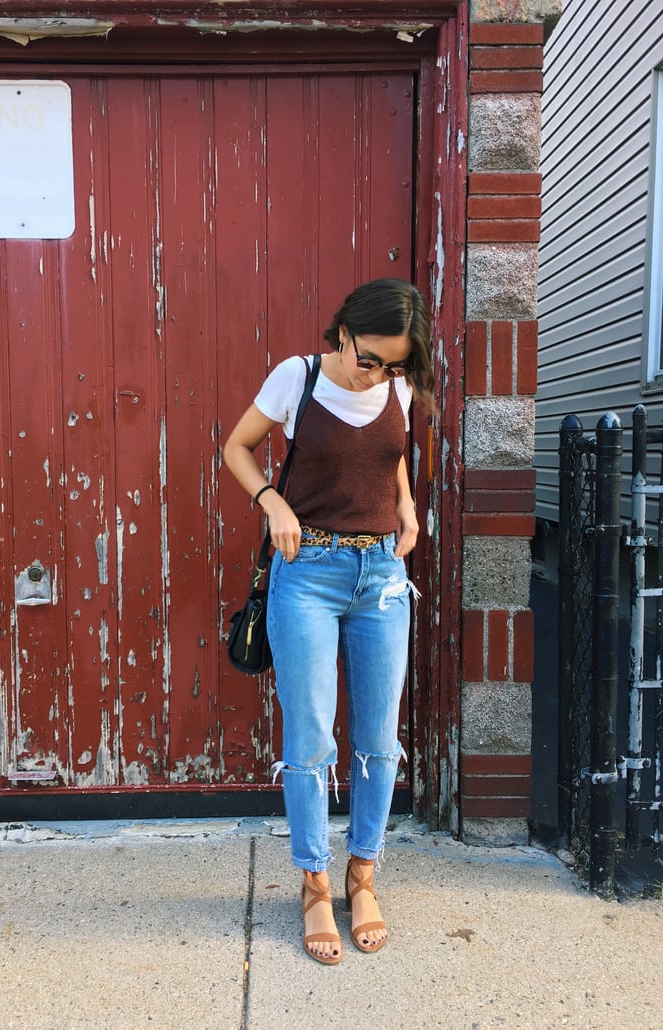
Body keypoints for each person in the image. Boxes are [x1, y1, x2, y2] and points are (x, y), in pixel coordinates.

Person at [223, 278, 435, 965]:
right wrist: (271, 504)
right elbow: (236, 447)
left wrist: (404, 506)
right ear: (342, 332)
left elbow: (392, 457)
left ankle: (362, 874)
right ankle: (315, 883)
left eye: (392, 364)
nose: (375, 373)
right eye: (367, 358)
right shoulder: (299, 376)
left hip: (380, 577)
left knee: (377, 738)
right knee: (311, 737)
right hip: (305, 573)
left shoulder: (397, 387)